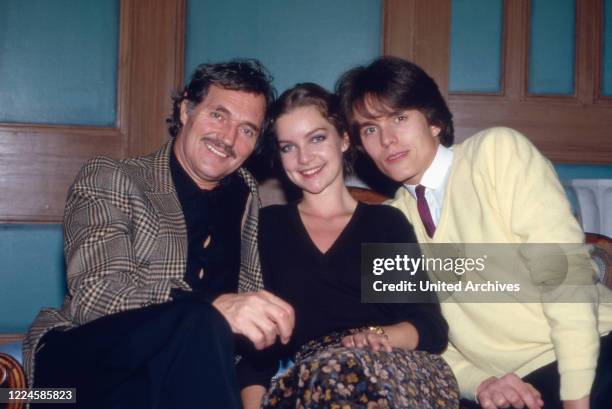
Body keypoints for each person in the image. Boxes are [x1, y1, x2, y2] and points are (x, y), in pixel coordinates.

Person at [336, 56, 612, 409]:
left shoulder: (496, 153)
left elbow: (565, 274)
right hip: (512, 387)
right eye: (370, 129)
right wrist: (481, 383)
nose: (387, 140)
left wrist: (576, 397)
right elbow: (428, 337)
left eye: (399, 117)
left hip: (591, 355)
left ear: (433, 121)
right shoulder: (388, 225)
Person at [23, 60, 295, 409]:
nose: (228, 138)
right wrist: (213, 306)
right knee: (200, 322)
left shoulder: (246, 196)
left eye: (247, 130)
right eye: (218, 115)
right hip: (76, 376)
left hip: (166, 382)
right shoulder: (113, 178)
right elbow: (94, 296)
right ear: (186, 109)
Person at [239, 83, 459, 409]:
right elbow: (256, 349)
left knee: (339, 377)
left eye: (317, 138)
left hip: (394, 370)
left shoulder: (385, 224)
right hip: (312, 382)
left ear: (343, 139)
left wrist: (379, 336)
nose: (304, 158)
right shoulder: (268, 227)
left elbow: (429, 326)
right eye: (288, 147)